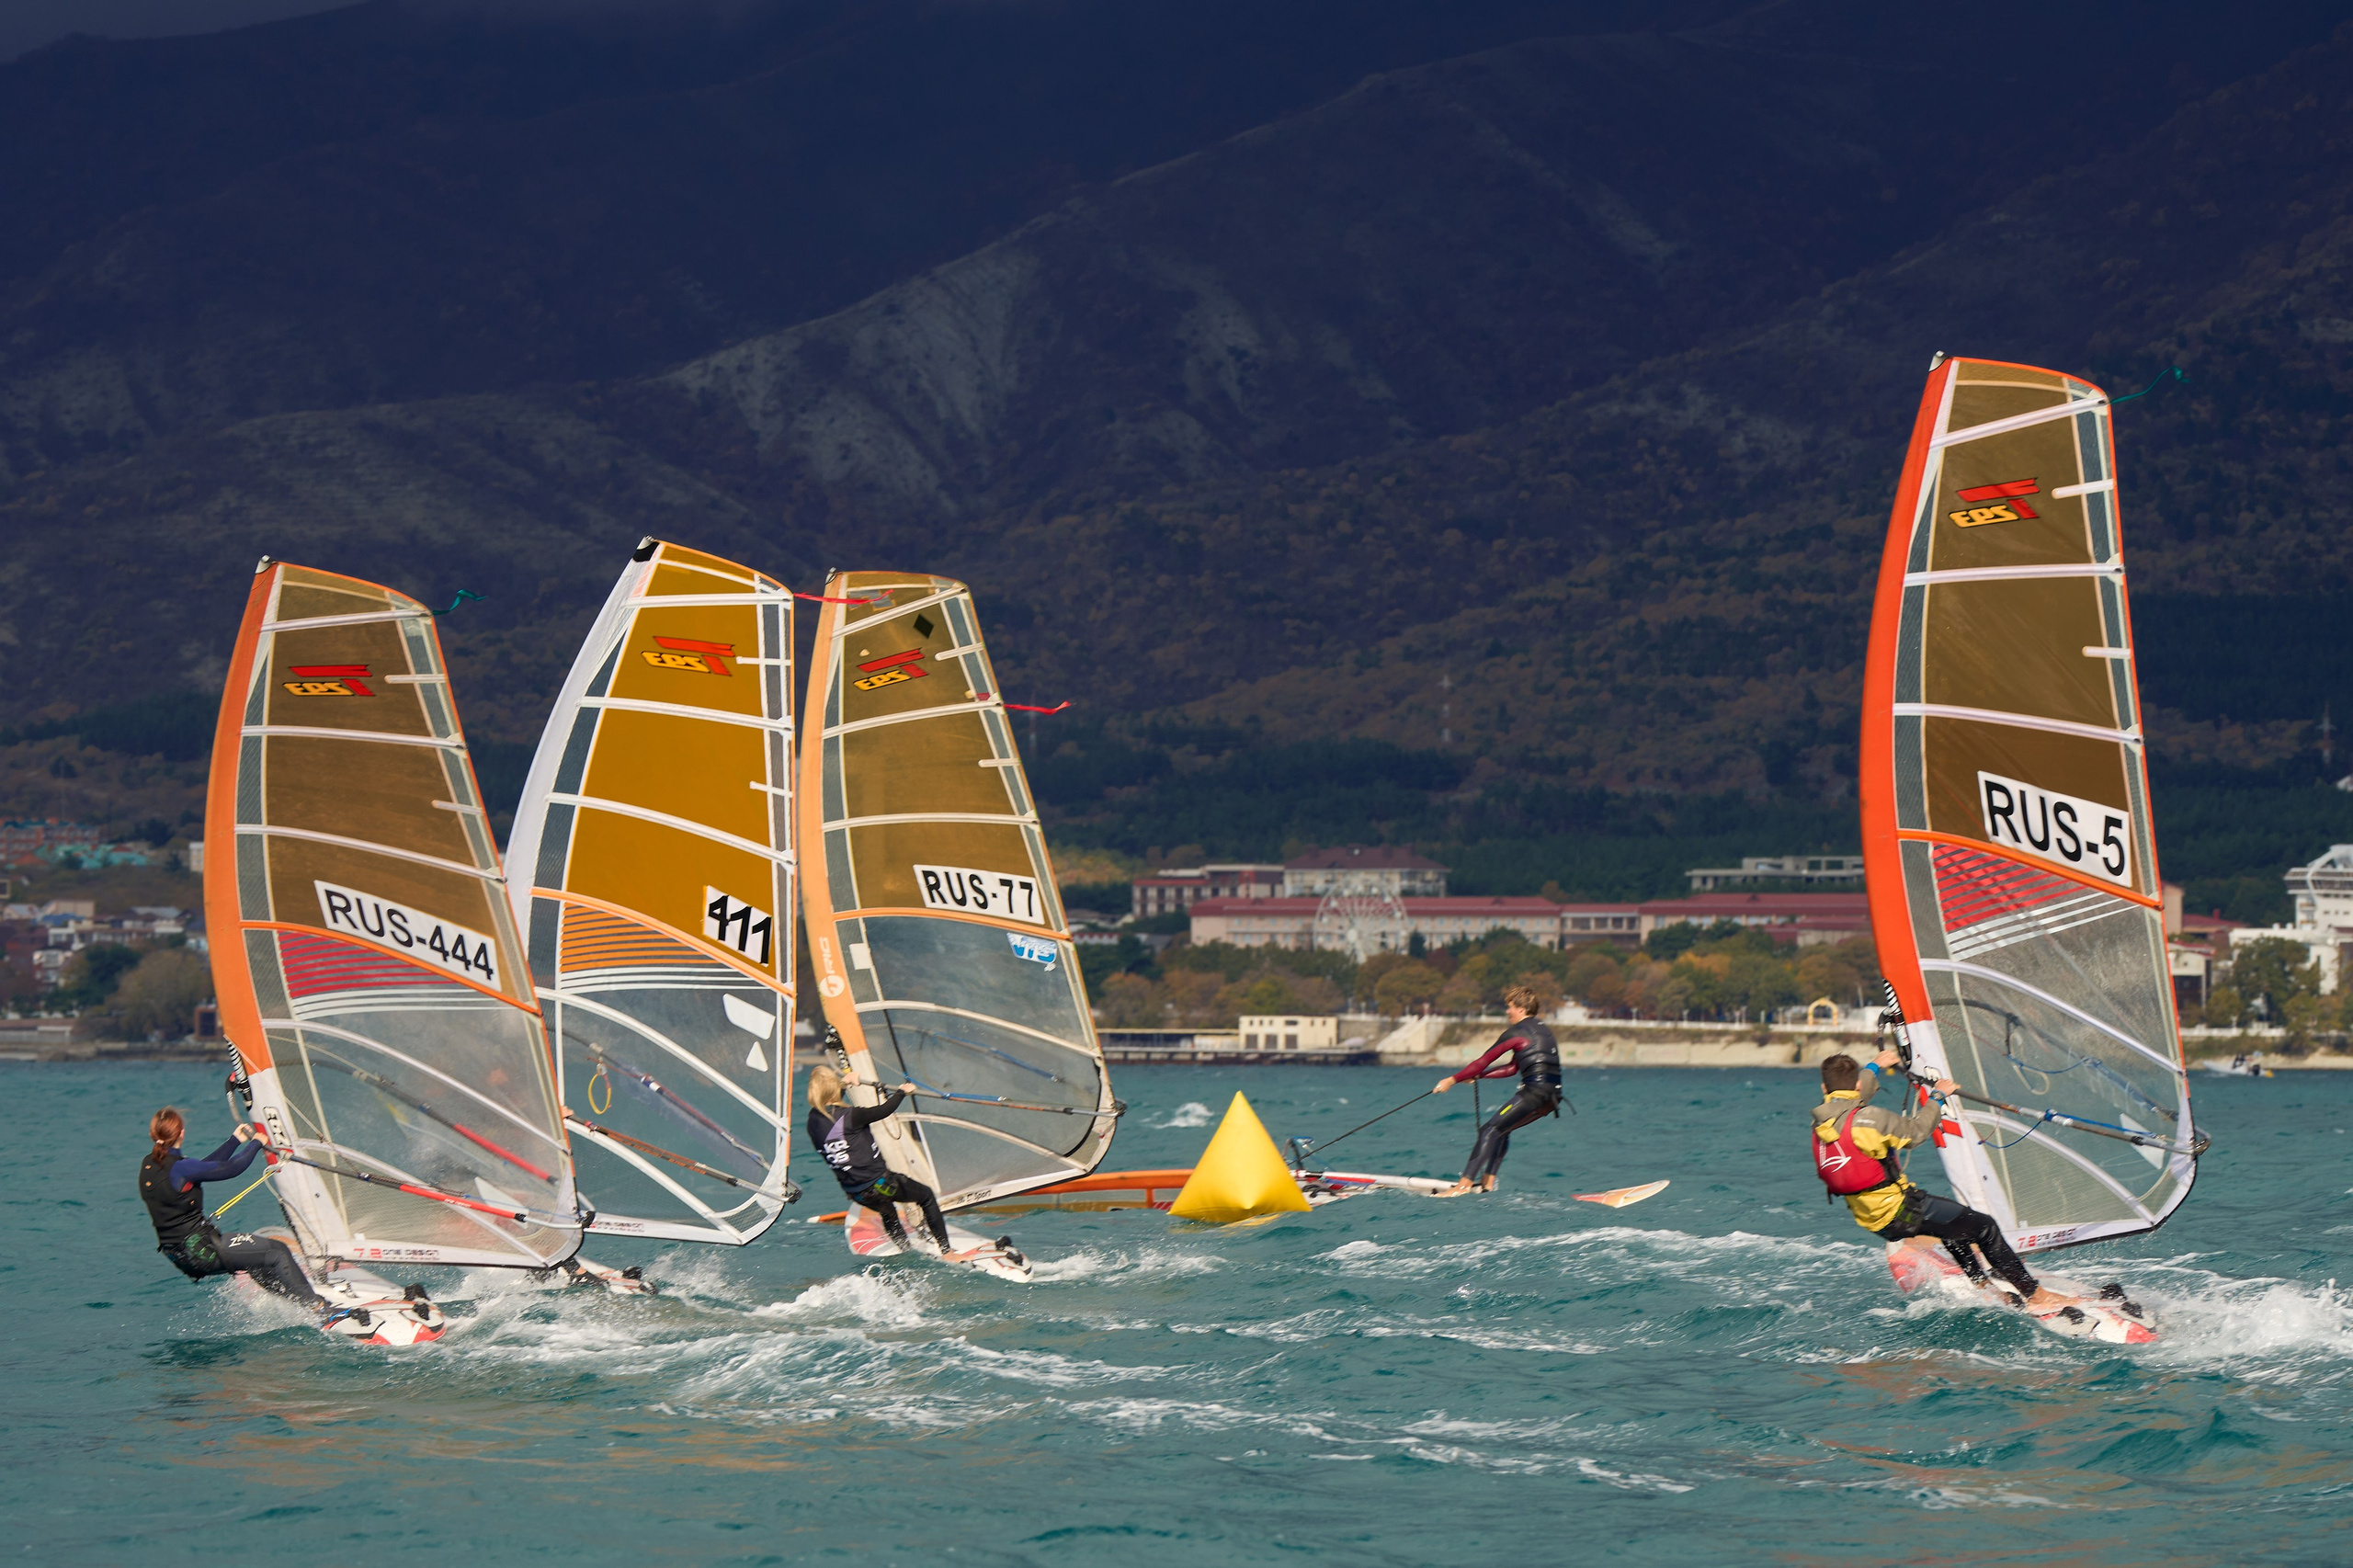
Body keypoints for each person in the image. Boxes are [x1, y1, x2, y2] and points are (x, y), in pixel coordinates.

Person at [1811, 1051, 2077, 1309]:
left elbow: (1852, 1100)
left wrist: (1875, 1066)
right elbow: (1915, 1133)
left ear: (1825, 1087)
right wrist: (1937, 1098)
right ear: (1856, 1084)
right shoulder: (1871, 1119)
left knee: (1953, 1224)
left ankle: (1985, 1287)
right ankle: (2036, 1294)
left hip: (1871, 1219)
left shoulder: (1823, 1120)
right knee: (1985, 1227)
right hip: (1899, 1210)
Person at [139, 1107, 328, 1310]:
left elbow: (202, 1168)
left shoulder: (149, 1164)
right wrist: (256, 1143)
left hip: (181, 1256)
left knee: (258, 1261)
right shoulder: (181, 1167)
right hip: (202, 1251)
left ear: (154, 1135)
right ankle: (319, 1307)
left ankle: (302, 1303)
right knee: (278, 1250)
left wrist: (234, 1141)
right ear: (181, 1133)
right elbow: (230, 1168)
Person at [805, 1062, 981, 1260]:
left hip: (857, 1193)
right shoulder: (853, 1116)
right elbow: (883, 1111)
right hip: (882, 1185)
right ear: (833, 1088)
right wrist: (902, 1092)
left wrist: (845, 1084)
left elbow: (833, 1113)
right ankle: (947, 1252)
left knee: (888, 1212)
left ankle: (905, 1250)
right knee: (926, 1196)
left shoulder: (812, 1121)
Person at [1431, 985, 1563, 1196]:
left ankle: (1463, 1185)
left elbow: (1482, 1061)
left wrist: (1452, 1079)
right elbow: (1512, 1068)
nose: (1507, 1012)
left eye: (1509, 1007)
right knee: (1502, 1128)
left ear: (1521, 1008)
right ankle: (1488, 1182)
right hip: (1552, 1098)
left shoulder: (1517, 1032)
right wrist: (1479, 1077)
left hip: (1534, 1093)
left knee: (1488, 1130)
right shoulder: (1543, 1030)